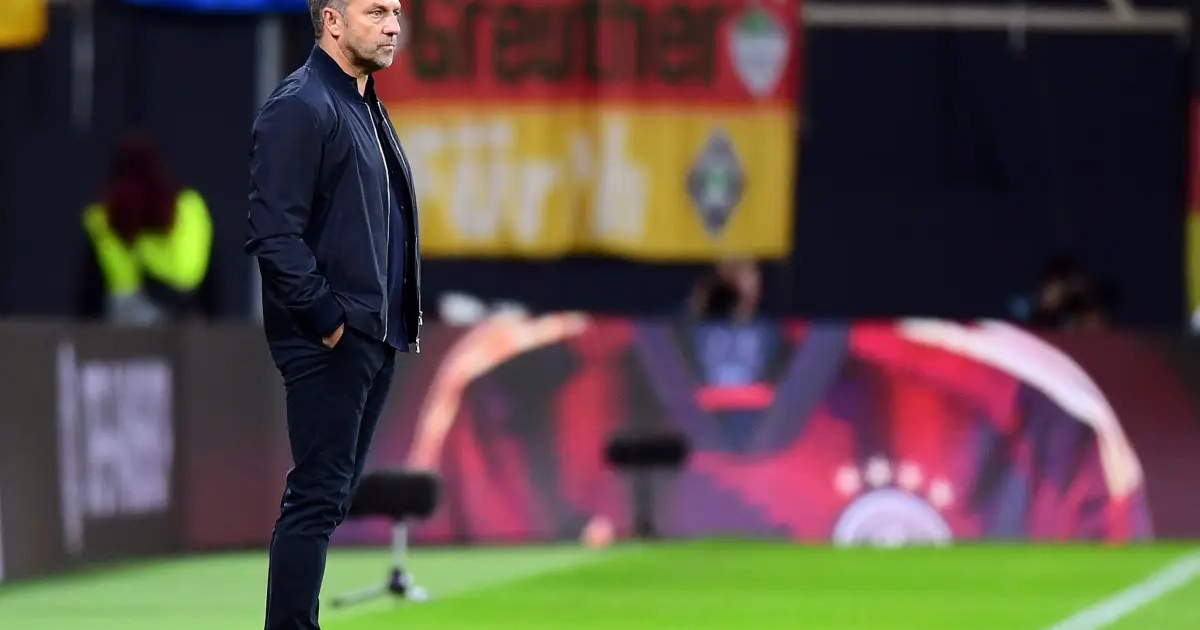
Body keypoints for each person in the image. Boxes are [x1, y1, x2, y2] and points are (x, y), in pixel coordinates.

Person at [244, 0, 419, 627]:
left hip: (372, 333)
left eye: (396, 11)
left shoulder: (361, 103)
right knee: (317, 498)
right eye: (376, 12)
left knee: (329, 498)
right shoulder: (302, 105)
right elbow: (273, 233)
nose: (393, 24)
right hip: (332, 336)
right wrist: (327, 317)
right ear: (333, 21)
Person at [77, 132, 216, 324]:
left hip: (125, 320)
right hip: (181, 314)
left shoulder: (102, 216)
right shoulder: (189, 206)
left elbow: (89, 291)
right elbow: (211, 280)